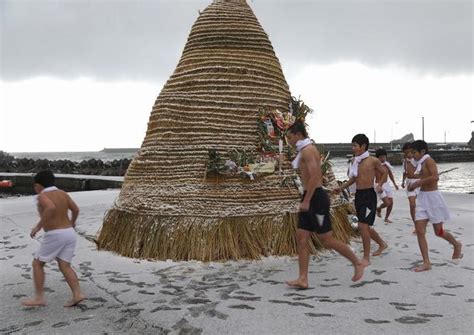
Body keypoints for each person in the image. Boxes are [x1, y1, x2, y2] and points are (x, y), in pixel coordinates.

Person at [285, 122, 364, 289]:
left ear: (298, 135)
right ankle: (303, 278)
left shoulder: (308, 151)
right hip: (308, 196)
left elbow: (316, 177)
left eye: (290, 137)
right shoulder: (303, 151)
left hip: (316, 198)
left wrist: (307, 200)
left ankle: (357, 262)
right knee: (302, 238)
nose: (288, 141)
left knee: (326, 240)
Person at [23, 170, 85, 307]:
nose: (35, 189)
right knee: (65, 265)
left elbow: (50, 207)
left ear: (39, 185)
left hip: (55, 234)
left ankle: (39, 297)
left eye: (35, 186)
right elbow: (76, 209)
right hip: (69, 233)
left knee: (37, 264)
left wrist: (38, 227)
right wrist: (72, 223)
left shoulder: (42, 196)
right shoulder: (62, 193)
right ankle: (77, 294)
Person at [407, 140, 463, 272]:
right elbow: (422, 176)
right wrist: (412, 179)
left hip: (433, 199)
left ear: (422, 152)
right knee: (420, 231)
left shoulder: (429, 161)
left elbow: (435, 177)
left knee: (439, 232)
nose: (413, 155)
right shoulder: (420, 163)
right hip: (422, 199)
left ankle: (456, 244)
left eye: (414, 152)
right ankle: (426, 262)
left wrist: (416, 184)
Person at [334, 134, 388, 267]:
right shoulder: (355, 161)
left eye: (355, 145)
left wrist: (380, 183)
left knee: (363, 226)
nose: (353, 148)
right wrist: (341, 188)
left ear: (363, 146)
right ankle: (382, 244)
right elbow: (353, 179)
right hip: (359, 195)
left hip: (369, 195)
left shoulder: (373, 160)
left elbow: (384, 172)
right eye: (352, 145)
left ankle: (366, 258)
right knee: (365, 226)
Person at [375, 148, 399, 223]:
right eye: (381, 157)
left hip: (387, 185)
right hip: (378, 185)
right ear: (377, 158)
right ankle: (378, 208)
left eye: (384, 157)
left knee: (391, 203)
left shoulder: (387, 165)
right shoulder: (375, 166)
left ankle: (386, 217)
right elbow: (371, 176)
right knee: (387, 203)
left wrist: (395, 184)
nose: (383, 158)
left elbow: (391, 175)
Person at [401, 142, 419, 231]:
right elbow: (405, 173)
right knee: (412, 205)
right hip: (409, 184)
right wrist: (403, 182)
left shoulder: (418, 160)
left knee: (423, 205)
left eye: (410, 152)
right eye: (406, 153)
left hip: (419, 183)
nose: (409, 154)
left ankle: (423, 220)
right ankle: (416, 225)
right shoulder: (404, 162)